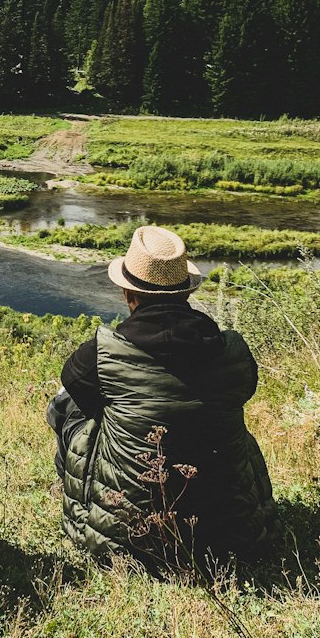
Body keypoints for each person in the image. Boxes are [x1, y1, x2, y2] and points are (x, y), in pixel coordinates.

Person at [48, 224, 277, 571]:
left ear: (129, 295)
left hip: (125, 541)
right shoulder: (232, 350)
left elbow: (75, 394)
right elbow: (242, 392)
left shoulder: (101, 353)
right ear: (185, 293)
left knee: (68, 405)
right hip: (232, 534)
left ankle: (82, 502)